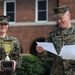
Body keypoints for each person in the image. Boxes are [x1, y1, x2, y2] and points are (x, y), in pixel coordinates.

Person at [36, 6, 75, 75]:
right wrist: (41, 51)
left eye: (61, 18)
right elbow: (44, 56)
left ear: (68, 16)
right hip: (57, 72)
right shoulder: (52, 35)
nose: (59, 21)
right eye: (57, 19)